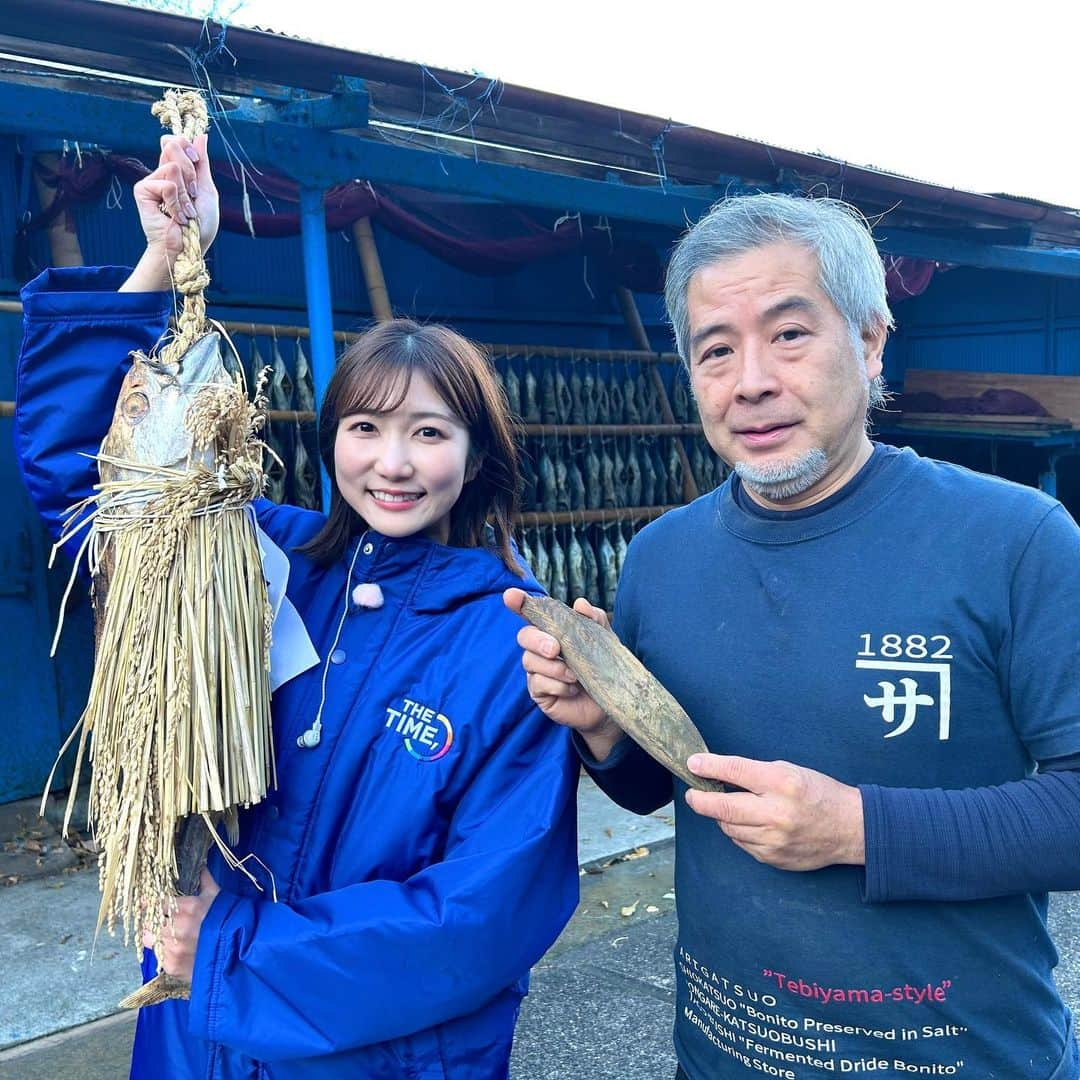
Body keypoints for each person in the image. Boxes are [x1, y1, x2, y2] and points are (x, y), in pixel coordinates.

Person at [15, 134, 578, 1080]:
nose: (391, 464)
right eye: (364, 429)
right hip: (198, 1037)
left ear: (476, 457)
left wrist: (232, 948)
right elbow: (90, 483)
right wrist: (164, 259)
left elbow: (484, 911)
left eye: (428, 433)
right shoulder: (262, 558)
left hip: (379, 1054)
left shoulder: (516, 641)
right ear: (331, 443)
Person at [507, 193, 1080, 1079]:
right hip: (724, 1056)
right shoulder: (663, 557)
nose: (751, 382)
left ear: (871, 340)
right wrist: (603, 727)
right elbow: (666, 794)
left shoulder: (1016, 541)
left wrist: (858, 827)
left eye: (789, 334)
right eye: (716, 350)